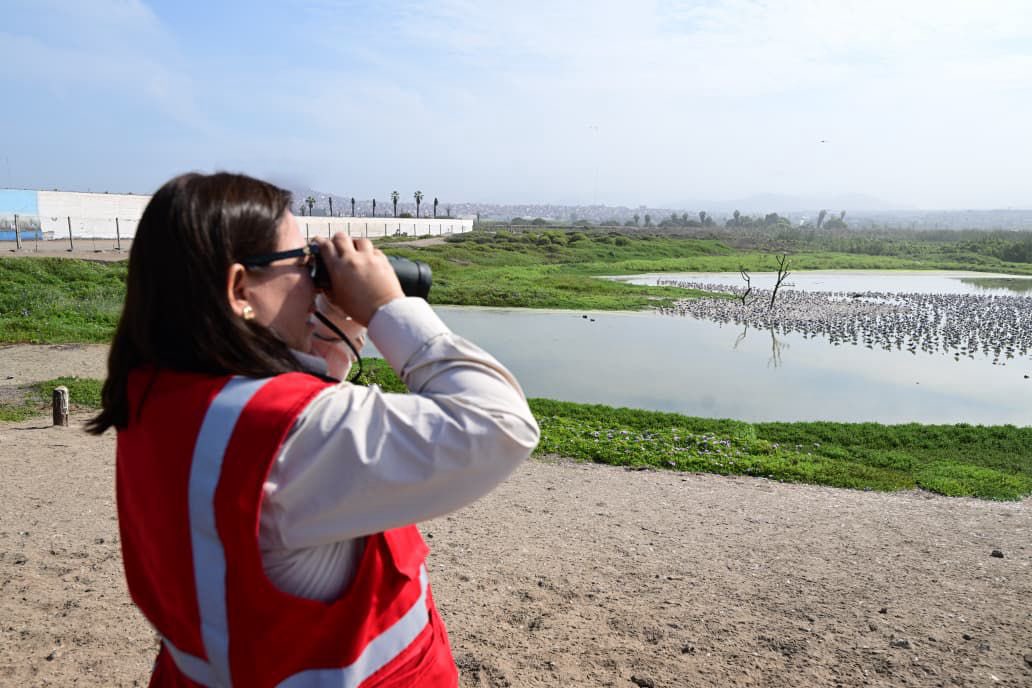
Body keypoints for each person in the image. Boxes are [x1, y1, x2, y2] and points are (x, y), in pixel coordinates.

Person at [87, 172, 540, 687]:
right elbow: (499, 424)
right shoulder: (286, 437)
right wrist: (390, 310)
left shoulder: (158, 394)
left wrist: (331, 342)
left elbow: (285, 443)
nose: (314, 278)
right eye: (302, 262)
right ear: (240, 289)